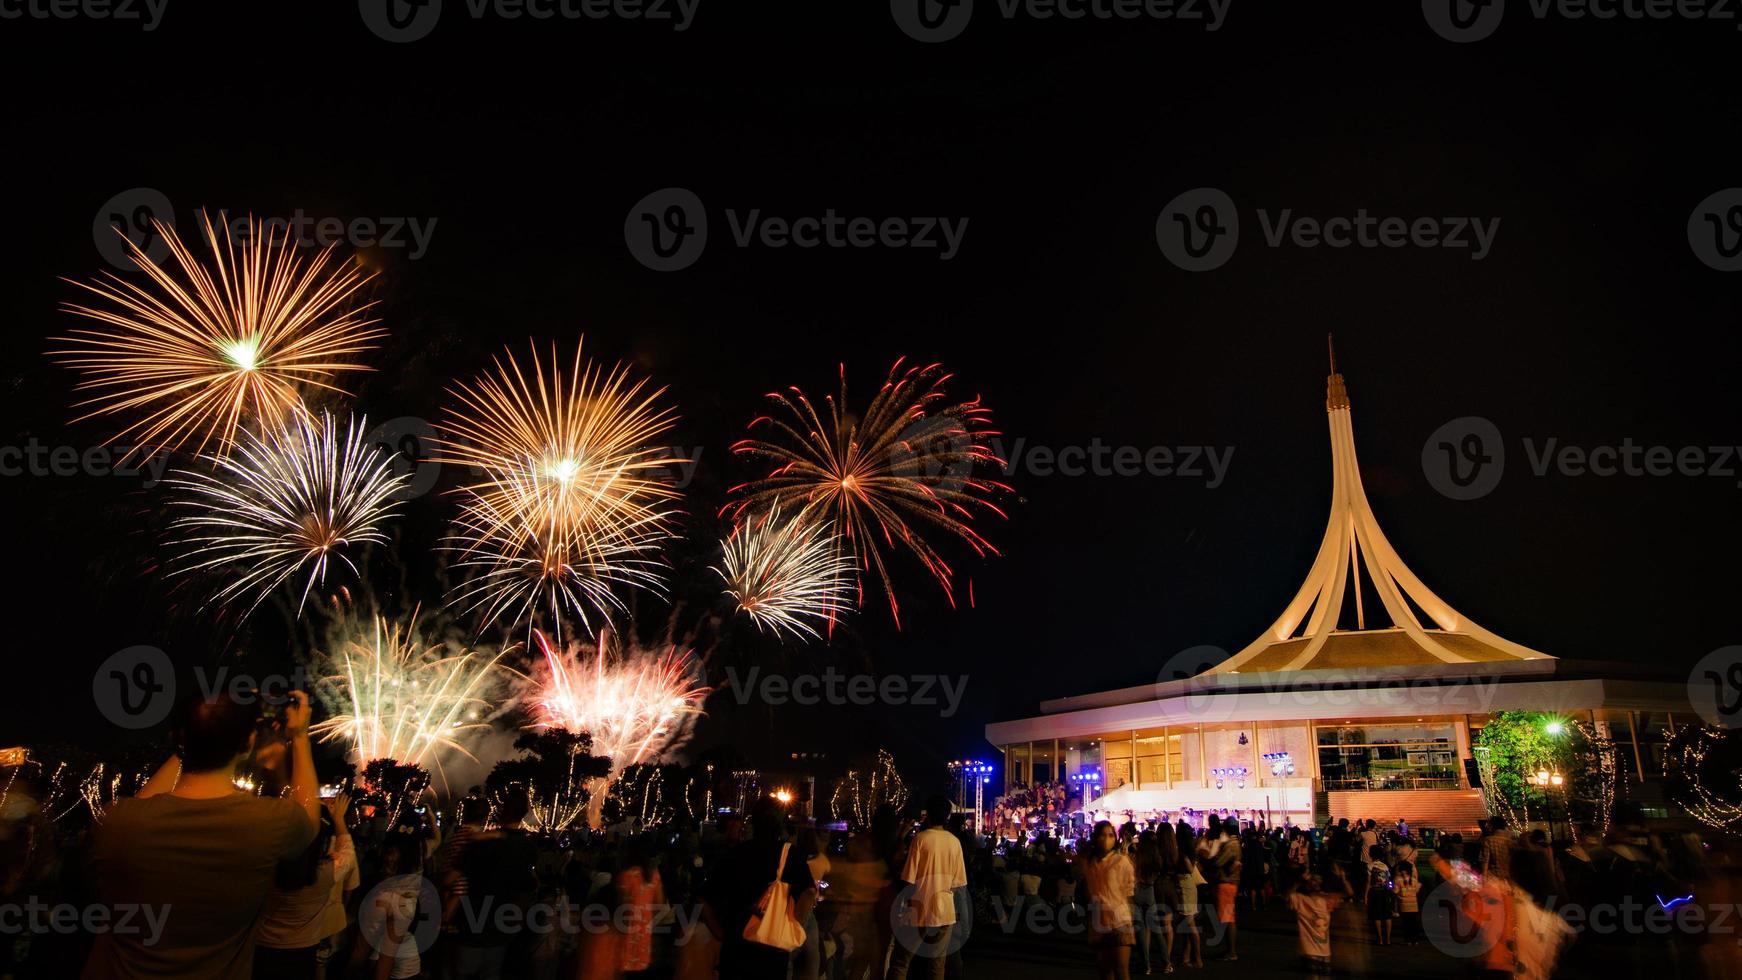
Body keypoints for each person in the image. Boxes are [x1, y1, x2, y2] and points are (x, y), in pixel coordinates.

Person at [83, 690, 321, 980]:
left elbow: (144, 803)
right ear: (248, 743)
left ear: (177, 739)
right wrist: (299, 736)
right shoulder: (270, 821)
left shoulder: (117, 820)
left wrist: (198, 733)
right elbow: (310, 819)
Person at [703, 798, 818, 980]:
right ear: (781, 823)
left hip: (735, 950)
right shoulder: (790, 856)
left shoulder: (734, 854)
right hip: (772, 952)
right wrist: (796, 923)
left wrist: (720, 933)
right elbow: (809, 893)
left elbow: (706, 901)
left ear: (753, 822)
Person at [254, 792, 357, 980]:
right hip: (302, 952)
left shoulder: (267, 867)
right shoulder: (325, 873)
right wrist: (338, 819)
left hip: (262, 947)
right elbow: (348, 853)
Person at [454, 786, 540, 979]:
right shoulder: (529, 848)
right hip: (502, 930)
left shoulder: (484, 843)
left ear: (503, 810)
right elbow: (529, 887)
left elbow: (455, 877)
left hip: (471, 926)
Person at [884, 796, 967, 980]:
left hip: (918, 908)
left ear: (927, 815)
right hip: (944, 911)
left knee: (901, 963)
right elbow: (958, 883)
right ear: (947, 816)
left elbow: (909, 878)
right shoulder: (955, 842)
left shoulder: (920, 839)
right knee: (937, 966)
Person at [1078, 821, 1135, 980]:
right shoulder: (1090, 863)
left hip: (1119, 920)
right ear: (1096, 837)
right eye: (1103, 835)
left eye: (1110, 835)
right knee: (1104, 971)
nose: (1106, 839)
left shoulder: (1121, 861)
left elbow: (1129, 890)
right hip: (1098, 921)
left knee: (1121, 970)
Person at [1283, 867, 1351, 977]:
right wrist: (1299, 881)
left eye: (1318, 880)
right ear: (1307, 884)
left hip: (1325, 955)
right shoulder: (1301, 900)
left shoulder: (1326, 900)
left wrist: (1343, 879)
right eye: (1313, 880)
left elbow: (1349, 894)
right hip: (1311, 954)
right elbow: (1287, 897)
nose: (1316, 883)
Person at [1364, 845, 1396, 945]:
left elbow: (1368, 882)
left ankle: (1380, 939)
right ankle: (1388, 939)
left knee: (1376, 915)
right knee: (1387, 915)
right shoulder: (1385, 866)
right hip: (1385, 891)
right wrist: (1391, 892)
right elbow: (1389, 881)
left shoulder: (1370, 865)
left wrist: (1365, 895)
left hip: (1375, 892)